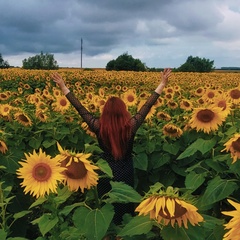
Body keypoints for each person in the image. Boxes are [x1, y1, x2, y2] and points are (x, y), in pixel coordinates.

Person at [52, 68, 171, 224]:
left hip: (105, 170)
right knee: (125, 202)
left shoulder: (98, 126)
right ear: (123, 111)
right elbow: (147, 106)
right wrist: (162, 83)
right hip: (126, 169)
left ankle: (109, 232)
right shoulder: (131, 126)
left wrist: (63, 86)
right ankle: (123, 231)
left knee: (107, 204)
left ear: (105, 112)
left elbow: (80, 108)